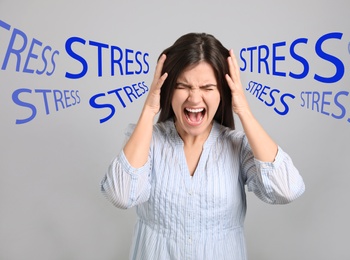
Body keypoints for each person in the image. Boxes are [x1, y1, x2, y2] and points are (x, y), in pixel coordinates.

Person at [101, 32, 305, 260]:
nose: (195, 99)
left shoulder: (237, 146)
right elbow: (120, 195)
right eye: (183, 86)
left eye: (208, 88)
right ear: (168, 90)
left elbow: (287, 190)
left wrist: (244, 111)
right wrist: (149, 109)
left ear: (222, 93)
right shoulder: (148, 141)